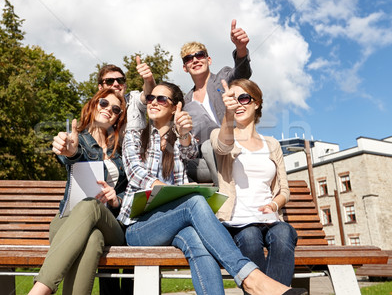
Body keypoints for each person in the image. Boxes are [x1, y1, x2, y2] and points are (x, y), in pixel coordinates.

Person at [118, 82, 306, 295]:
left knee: (200, 245)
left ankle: (250, 281)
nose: (153, 102)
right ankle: (250, 279)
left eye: (161, 99)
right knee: (194, 202)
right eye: (151, 98)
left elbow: (190, 154)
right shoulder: (134, 134)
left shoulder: (178, 140)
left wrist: (184, 134)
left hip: (173, 224)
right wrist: (168, 192)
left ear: (175, 107)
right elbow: (136, 173)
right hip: (139, 226)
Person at [29, 89, 129, 295]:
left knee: (91, 204)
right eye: (104, 103)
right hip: (68, 222)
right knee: (93, 239)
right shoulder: (78, 140)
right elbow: (71, 155)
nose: (109, 109)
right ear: (93, 105)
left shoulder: (122, 150)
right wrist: (71, 152)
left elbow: (132, 190)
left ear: (119, 117)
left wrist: (116, 199)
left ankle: (38, 291)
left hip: (110, 223)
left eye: (116, 109)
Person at [211, 79, 298, 287]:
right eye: (233, 99)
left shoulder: (272, 144)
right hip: (237, 222)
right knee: (249, 236)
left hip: (269, 220)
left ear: (256, 103)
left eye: (243, 98)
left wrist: (274, 205)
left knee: (284, 232)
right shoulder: (221, 133)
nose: (238, 104)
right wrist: (228, 114)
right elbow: (222, 147)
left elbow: (284, 189)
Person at [181, 19, 251, 184]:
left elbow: (242, 72)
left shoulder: (223, 78)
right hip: (206, 156)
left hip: (233, 146)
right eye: (189, 58)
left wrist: (241, 49)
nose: (195, 60)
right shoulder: (186, 101)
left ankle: (226, 189)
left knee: (209, 144)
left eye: (200, 55)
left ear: (208, 60)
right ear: (185, 67)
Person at [97, 56, 155, 131]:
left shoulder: (133, 99)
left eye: (120, 80)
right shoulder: (94, 108)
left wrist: (149, 80)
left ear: (125, 85)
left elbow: (149, 96)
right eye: (109, 81)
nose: (116, 84)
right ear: (100, 87)